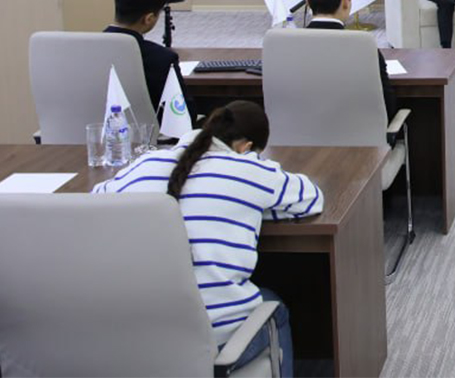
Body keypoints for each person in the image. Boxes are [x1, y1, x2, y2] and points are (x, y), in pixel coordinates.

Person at [93, 100, 323, 377]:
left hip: (135, 340)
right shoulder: (250, 171)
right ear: (246, 147)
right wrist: (250, 203)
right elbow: (311, 198)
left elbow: (97, 198)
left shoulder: (145, 164)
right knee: (273, 306)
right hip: (214, 347)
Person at [305, 0, 396, 119]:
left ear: (308, 2)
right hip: (360, 133)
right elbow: (387, 106)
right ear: (346, 1)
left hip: (295, 134)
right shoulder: (364, 47)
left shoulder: (283, 48)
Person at [105, 0, 183, 111]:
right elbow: (182, 112)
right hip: (148, 125)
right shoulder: (161, 59)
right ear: (149, 19)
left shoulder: (83, 52)